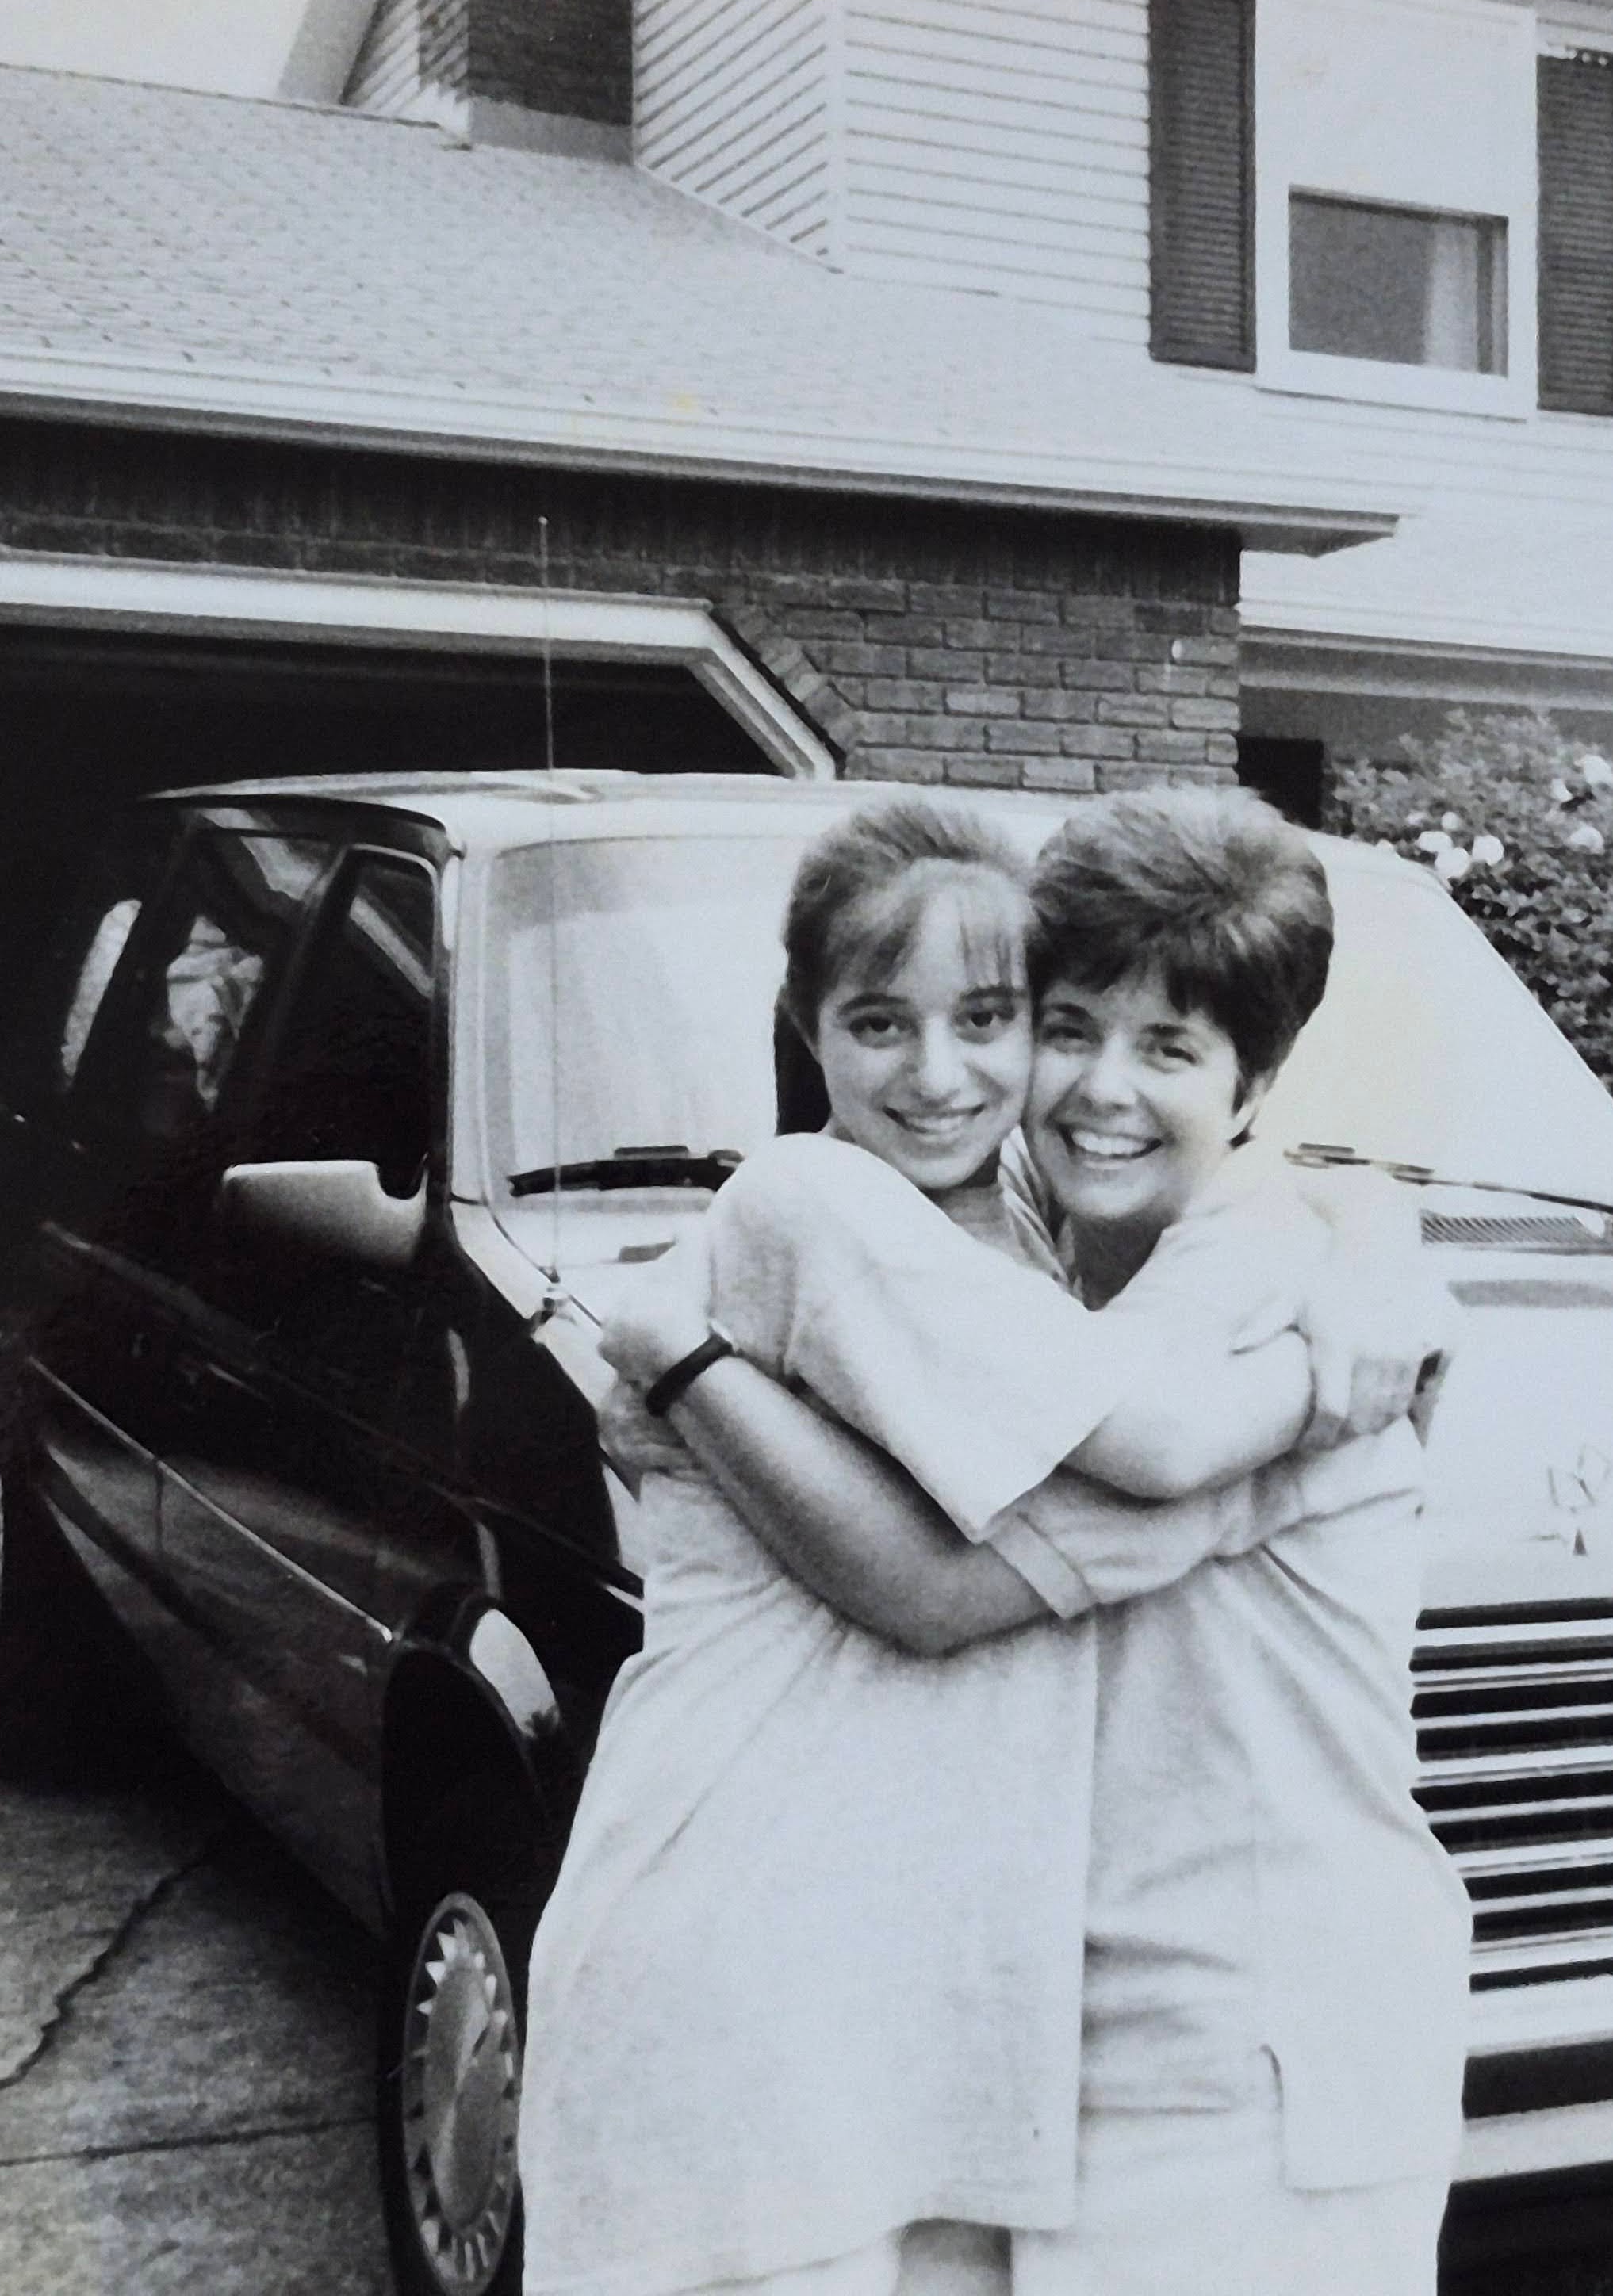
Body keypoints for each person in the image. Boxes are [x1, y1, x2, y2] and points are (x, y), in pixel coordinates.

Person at [520, 795, 1437, 2296]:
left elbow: (951, 1583)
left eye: (1169, 1051)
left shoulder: (1265, 1278)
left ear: (1259, 1083)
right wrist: (678, 1342)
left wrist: (1374, 1266)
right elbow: (815, 1254)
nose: (1089, 1092)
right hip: (905, 2026)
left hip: (1244, 2045)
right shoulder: (983, 1237)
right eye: (1068, 1029)